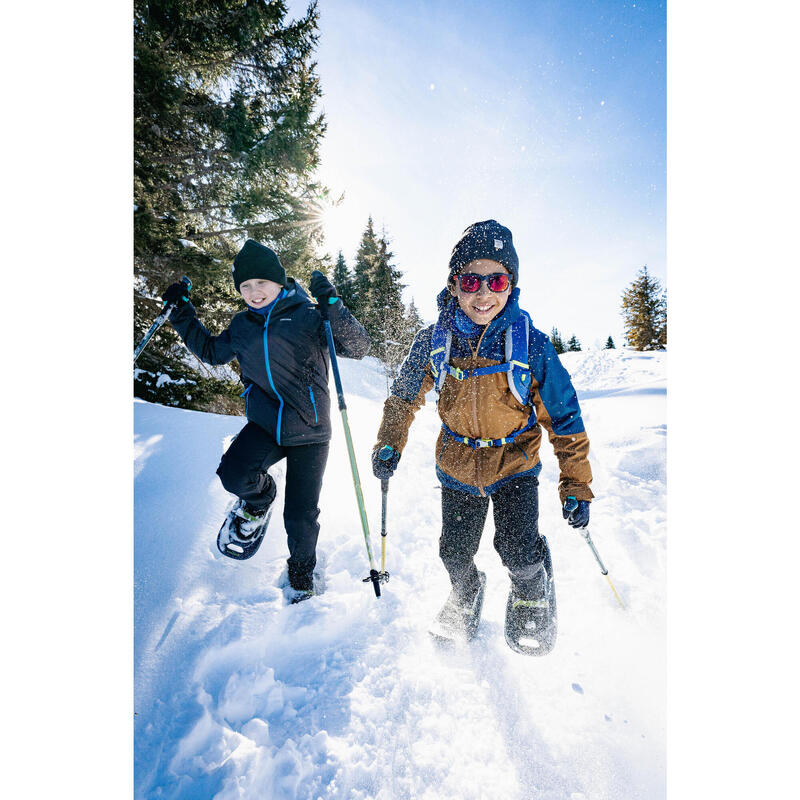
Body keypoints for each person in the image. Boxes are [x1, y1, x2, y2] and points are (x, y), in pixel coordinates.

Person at [371, 220, 593, 654]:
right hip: (456, 466)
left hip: (514, 464)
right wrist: (389, 443)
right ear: (454, 285)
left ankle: (532, 589)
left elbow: (565, 421)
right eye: (472, 280)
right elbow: (401, 398)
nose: (484, 293)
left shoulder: (531, 345)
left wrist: (577, 487)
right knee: (453, 553)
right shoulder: (433, 341)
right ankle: (466, 592)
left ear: (511, 286)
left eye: (497, 280)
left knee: (517, 548)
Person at [162, 239, 370, 602]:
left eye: (261, 283)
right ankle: (259, 501)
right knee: (233, 474)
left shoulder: (308, 314)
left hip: (311, 429)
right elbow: (212, 352)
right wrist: (181, 312)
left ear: (278, 281)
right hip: (266, 424)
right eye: (245, 286)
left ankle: (302, 578)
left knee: (300, 518)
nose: (254, 292)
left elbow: (357, 346)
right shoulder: (242, 325)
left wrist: (333, 306)